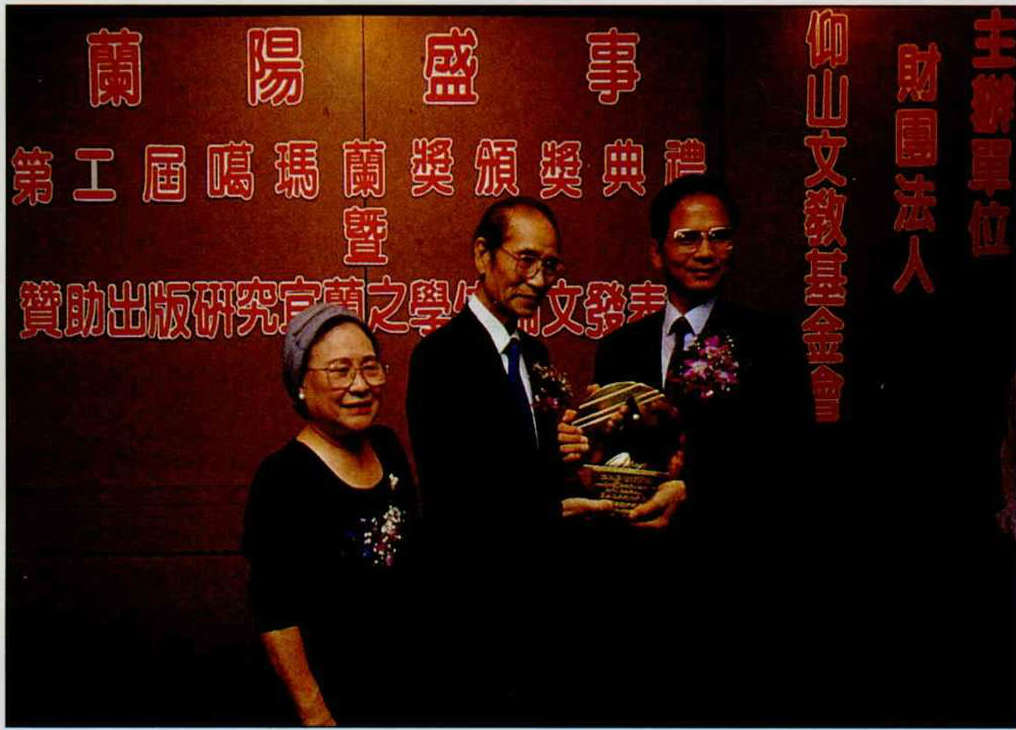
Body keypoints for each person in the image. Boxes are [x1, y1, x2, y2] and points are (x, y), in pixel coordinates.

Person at [405, 197, 681, 722]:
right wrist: (550, 511)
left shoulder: (535, 357)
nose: (538, 279)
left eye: (551, 265)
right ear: (482, 255)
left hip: (542, 599)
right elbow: (450, 491)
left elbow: (534, 466)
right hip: (474, 601)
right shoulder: (441, 357)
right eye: (526, 260)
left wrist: (578, 451)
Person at [559, 174, 813, 723]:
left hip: (733, 583)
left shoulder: (770, 341)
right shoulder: (619, 348)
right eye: (688, 238)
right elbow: (612, 460)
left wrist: (693, 491)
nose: (706, 251)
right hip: (638, 588)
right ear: (656, 252)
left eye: (719, 237)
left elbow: (791, 462)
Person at [242, 304, 417, 726]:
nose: (360, 385)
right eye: (340, 371)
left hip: (401, 688)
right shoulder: (282, 478)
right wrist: (315, 713)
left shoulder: (387, 447)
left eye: (371, 368)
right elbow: (275, 611)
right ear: (301, 384)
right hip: (333, 701)